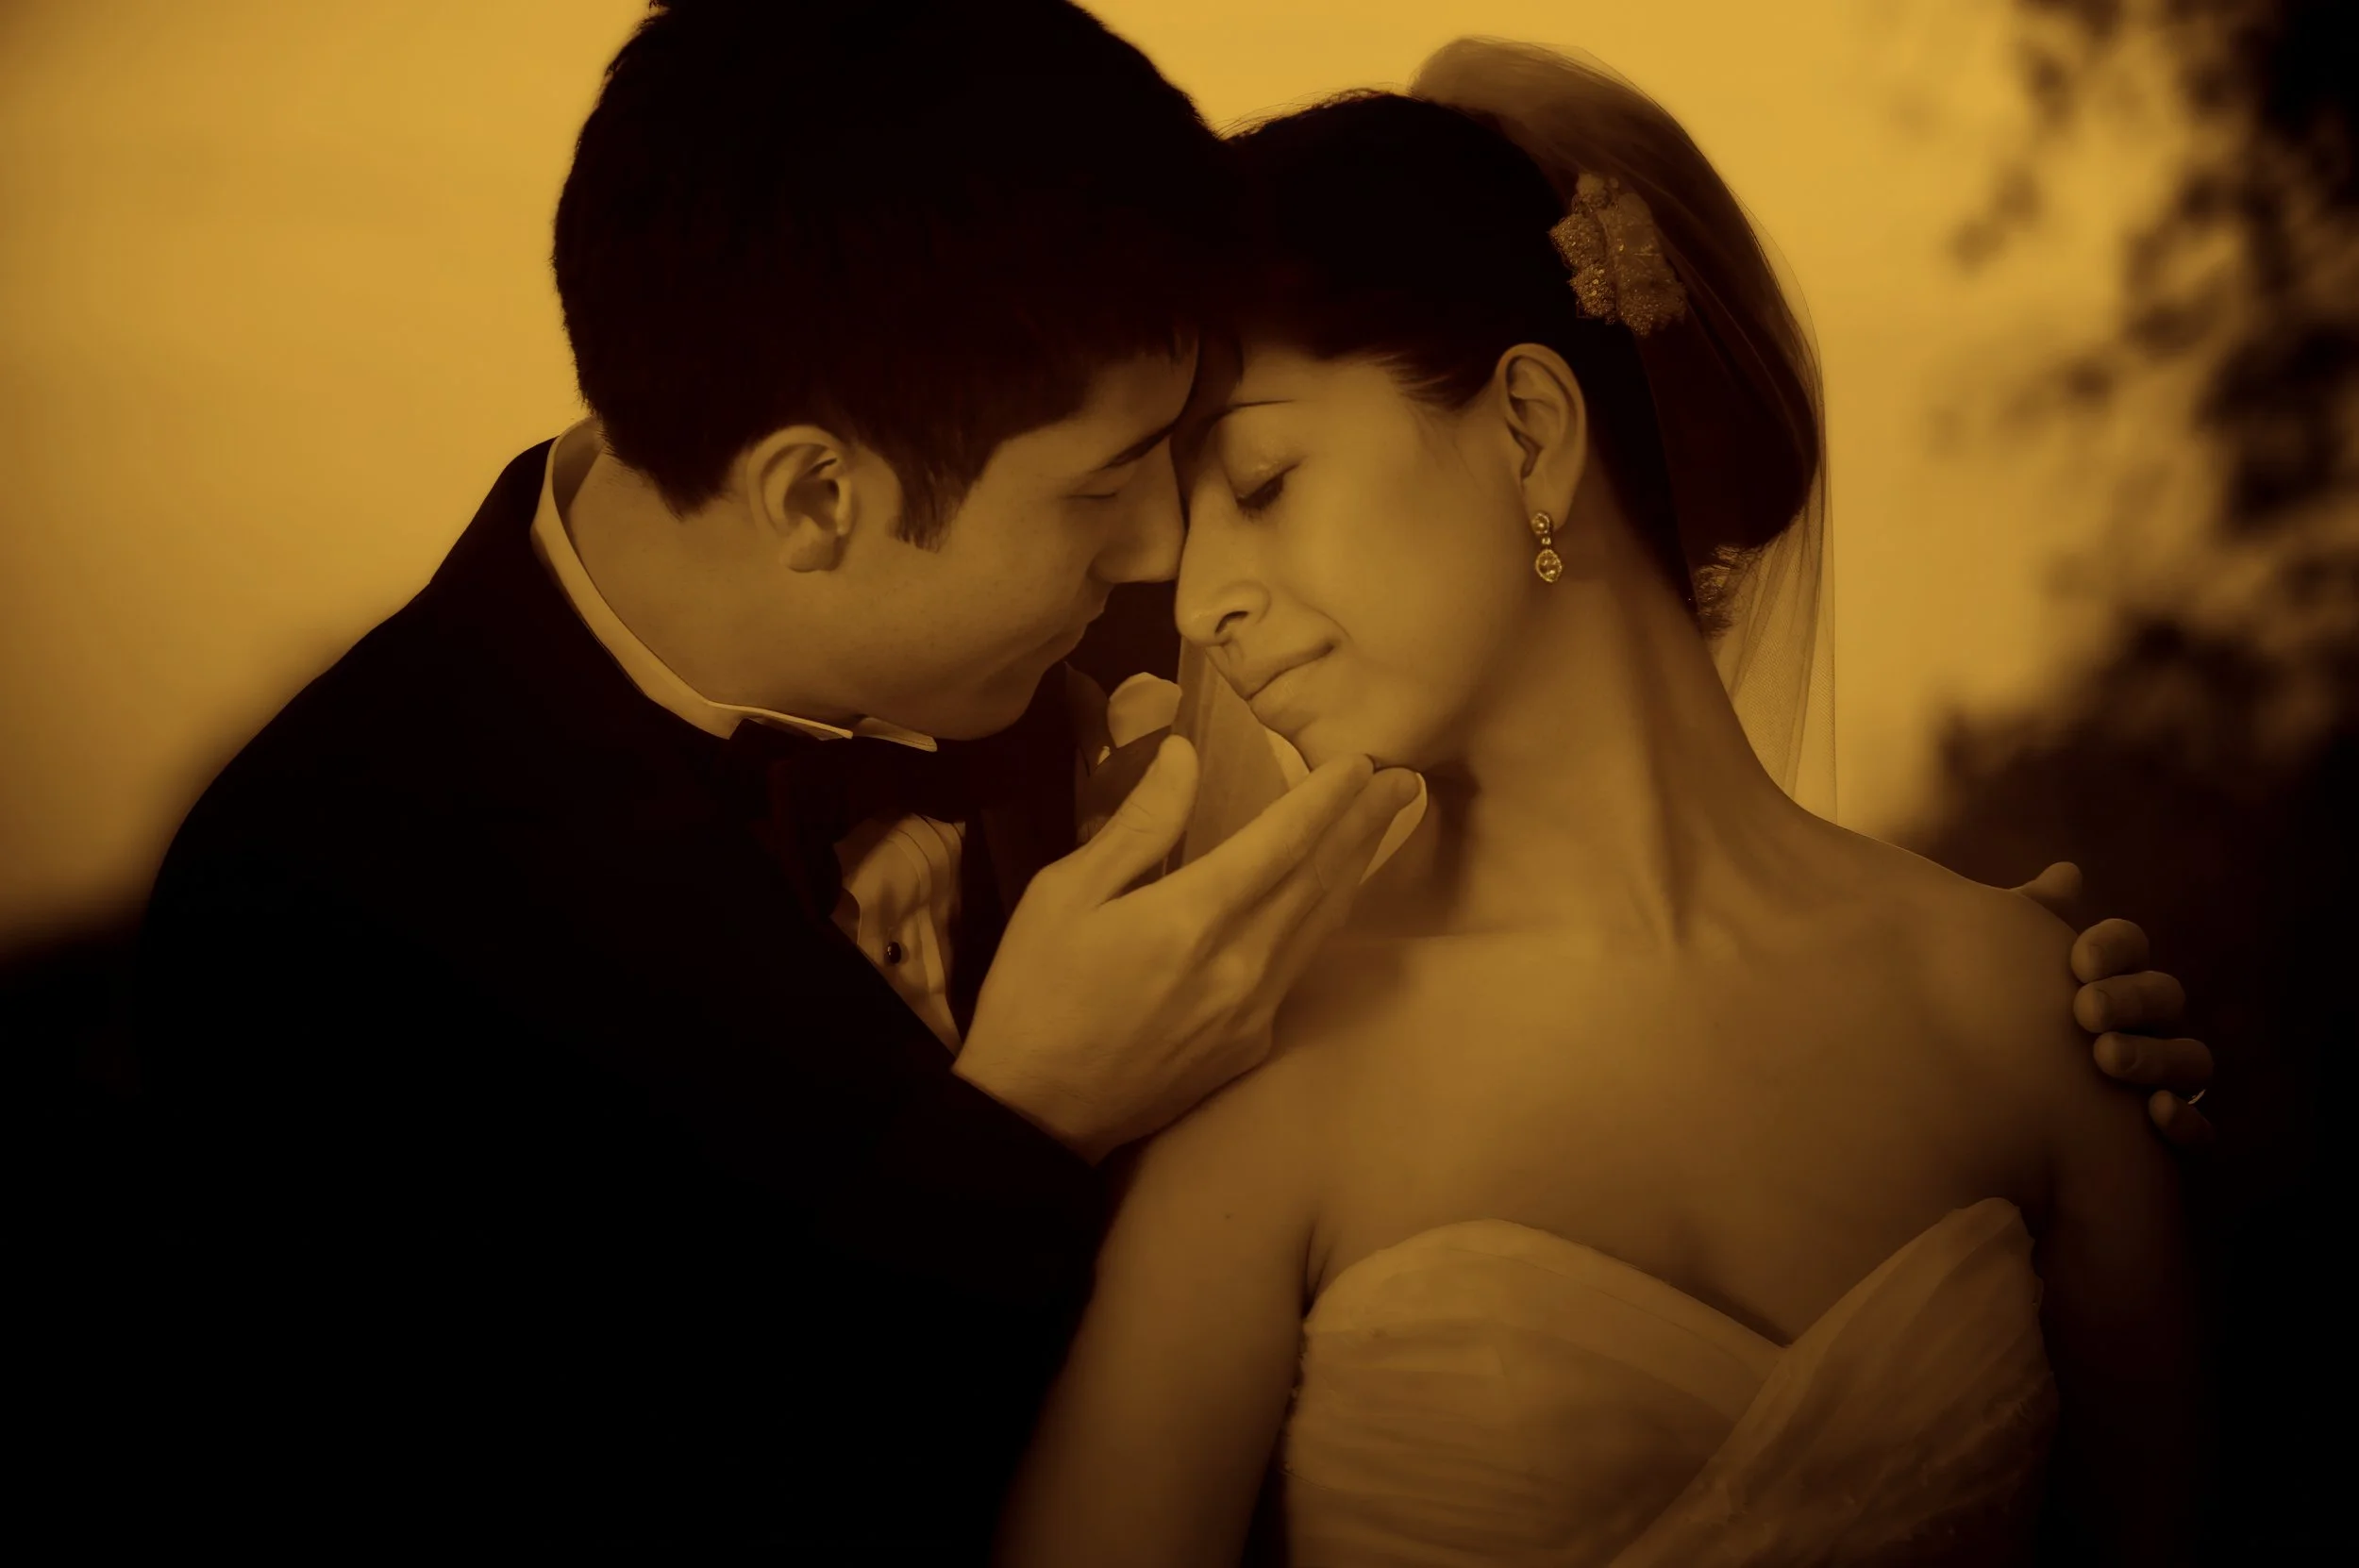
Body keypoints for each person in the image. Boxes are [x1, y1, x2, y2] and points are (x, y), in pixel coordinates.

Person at [118, 3, 2200, 1558]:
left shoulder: (1095, 646)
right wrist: (1013, 1135)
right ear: (818, 499)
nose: (1172, 584)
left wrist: (1988, 1010)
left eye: (1226, 482)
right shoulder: (316, 905)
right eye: (1122, 489)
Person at [999, 41, 2206, 1568]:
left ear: (1529, 428)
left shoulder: (2030, 1018)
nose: (1203, 601)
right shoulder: (1254, 1076)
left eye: (1260, 483)